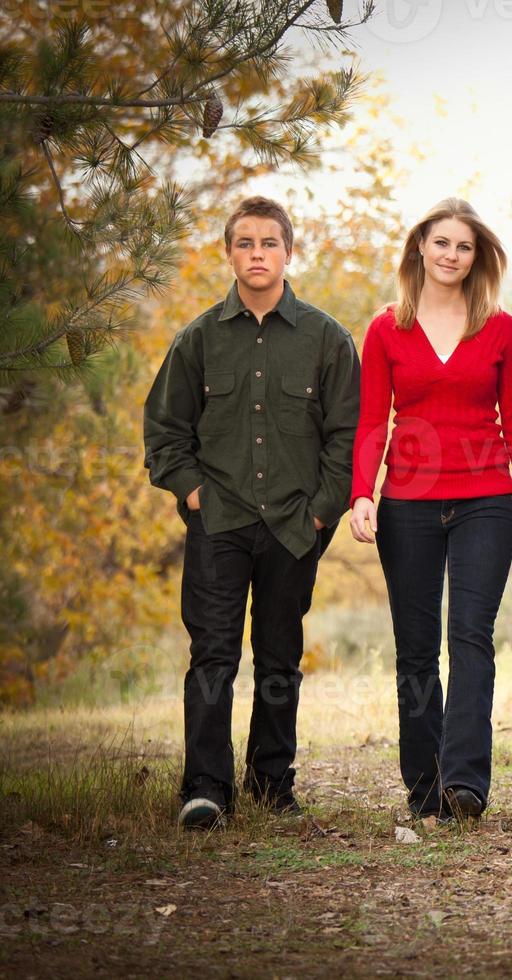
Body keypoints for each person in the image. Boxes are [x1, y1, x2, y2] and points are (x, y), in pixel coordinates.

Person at [144, 196, 360, 829]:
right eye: (245, 243)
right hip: (220, 523)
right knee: (212, 654)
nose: (257, 253)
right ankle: (206, 788)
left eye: (269, 243)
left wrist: (322, 513)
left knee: (279, 657)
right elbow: (164, 431)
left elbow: (347, 437)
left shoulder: (325, 338)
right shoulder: (199, 338)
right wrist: (192, 492)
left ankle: (272, 783)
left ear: (288, 253)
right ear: (230, 254)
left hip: (296, 526)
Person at [349, 198, 512, 821]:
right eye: (441, 244)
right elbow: (371, 420)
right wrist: (361, 493)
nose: (451, 256)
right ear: (420, 249)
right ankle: (422, 785)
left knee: (470, 637)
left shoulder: (499, 327)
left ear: (476, 257)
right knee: (415, 647)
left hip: (485, 499)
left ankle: (465, 782)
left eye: (463, 247)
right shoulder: (386, 328)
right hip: (406, 504)